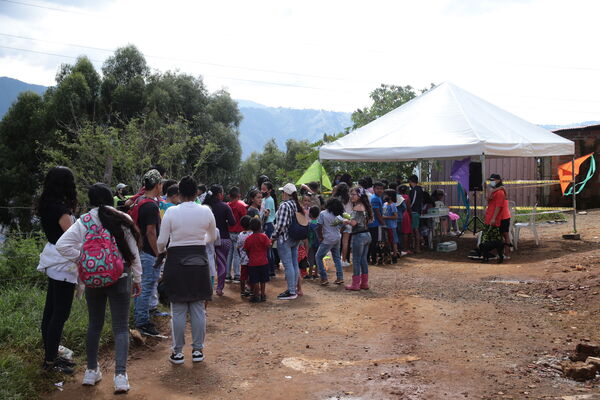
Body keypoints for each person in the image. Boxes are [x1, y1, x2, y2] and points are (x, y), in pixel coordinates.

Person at [55, 183, 142, 393]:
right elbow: (133, 252)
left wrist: (83, 259)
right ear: (110, 198)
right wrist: (138, 277)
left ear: (91, 201)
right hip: (120, 278)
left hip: (93, 279)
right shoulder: (122, 218)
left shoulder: (84, 220)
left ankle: (91, 371)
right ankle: (120, 376)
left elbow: (61, 245)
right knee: (120, 327)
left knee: (94, 325)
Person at [157, 176, 216, 365]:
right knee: (198, 307)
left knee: (179, 308)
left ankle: (178, 352)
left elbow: (161, 242)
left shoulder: (172, 212)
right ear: (196, 192)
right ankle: (198, 351)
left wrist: (162, 251)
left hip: (176, 260)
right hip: (199, 259)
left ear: (180, 193)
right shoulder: (205, 211)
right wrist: (200, 241)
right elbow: (212, 235)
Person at [36, 166, 78, 374]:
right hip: (64, 264)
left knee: (50, 312)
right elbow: (73, 237)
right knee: (60, 314)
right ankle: (51, 361)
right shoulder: (61, 210)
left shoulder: (46, 205)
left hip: (53, 261)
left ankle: (50, 356)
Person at [132, 169, 163, 337]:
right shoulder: (150, 205)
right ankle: (142, 322)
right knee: (146, 287)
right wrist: (158, 252)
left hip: (141, 249)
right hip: (149, 252)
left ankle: (142, 317)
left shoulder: (140, 201)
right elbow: (151, 231)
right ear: (157, 185)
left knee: (142, 286)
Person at [271, 183, 304, 300]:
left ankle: (291, 291)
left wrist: (273, 237)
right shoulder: (296, 204)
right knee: (294, 264)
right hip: (295, 238)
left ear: (286, 193)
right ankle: (293, 289)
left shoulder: (285, 205)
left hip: (285, 238)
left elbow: (281, 226)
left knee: (288, 265)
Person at [203, 184, 235, 296]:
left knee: (207, 262)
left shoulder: (204, 206)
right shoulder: (225, 206)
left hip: (206, 238)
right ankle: (219, 288)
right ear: (219, 195)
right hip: (223, 238)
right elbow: (232, 222)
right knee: (222, 264)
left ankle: (206, 286)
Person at [345, 187, 373, 291]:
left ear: (359, 195)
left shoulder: (357, 207)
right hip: (367, 235)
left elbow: (354, 223)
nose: (351, 196)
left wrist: (345, 220)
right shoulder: (365, 206)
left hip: (359, 236)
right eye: (351, 194)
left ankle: (355, 284)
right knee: (363, 260)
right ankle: (364, 283)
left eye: (353, 194)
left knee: (356, 260)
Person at [315, 198, 345, 285]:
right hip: (337, 238)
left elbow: (319, 226)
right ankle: (340, 277)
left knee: (318, 257)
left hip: (327, 239)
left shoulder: (323, 213)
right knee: (337, 258)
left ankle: (324, 278)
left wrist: (320, 237)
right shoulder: (339, 215)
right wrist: (339, 231)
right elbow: (344, 226)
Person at [243, 218, 272, 303]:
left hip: (253, 263)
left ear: (250, 227)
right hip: (263, 261)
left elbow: (246, 249)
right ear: (260, 226)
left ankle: (256, 295)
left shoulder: (249, 238)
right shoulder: (264, 236)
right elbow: (269, 245)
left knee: (255, 280)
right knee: (263, 280)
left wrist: (250, 256)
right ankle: (263, 295)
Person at [487, 174, 511, 257]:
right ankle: (498, 252)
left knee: (505, 234)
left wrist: (493, 218)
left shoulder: (501, 191)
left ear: (498, 180)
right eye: (490, 180)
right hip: (499, 216)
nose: (491, 182)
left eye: (493, 180)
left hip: (503, 216)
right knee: (499, 235)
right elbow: (489, 200)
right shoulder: (495, 190)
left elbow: (499, 206)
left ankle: (506, 253)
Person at [227, 186, 247, 284]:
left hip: (229, 232)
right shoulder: (241, 206)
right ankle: (237, 275)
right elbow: (244, 219)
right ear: (238, 196)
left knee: (229, 254)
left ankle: (227, 275)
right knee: (236, 254)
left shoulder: (227, 205)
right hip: (238, 233)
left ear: (229, 196)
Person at [333, 182, 352, 267]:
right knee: (345, 243)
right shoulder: (350, 198)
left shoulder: (336, 199)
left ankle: (337, 261)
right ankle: (344, 260)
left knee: (337, 242)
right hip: (348, 221)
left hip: (338, 221)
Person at [367, 182, 385, 264]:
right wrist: (382, 222)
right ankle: (373, 259)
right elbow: (377, 213)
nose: (380, 190)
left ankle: (370, 258)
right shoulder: (375, 198)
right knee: (374, 242)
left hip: (374, 223)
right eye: (378, 188)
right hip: (374, 224)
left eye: (381, 189)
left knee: (373, 242)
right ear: (374, 189)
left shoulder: (378, 197)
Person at [237, 216, 253, 297]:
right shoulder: (252, 234)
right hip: (251, 259)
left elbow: (238, 247)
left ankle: (242, 291)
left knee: (243, 276)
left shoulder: (240, 235)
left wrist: (241, 255)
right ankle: (251, 289)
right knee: (251, 275)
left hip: (243, 259)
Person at [383, 189, 400, 262]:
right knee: (388, 241)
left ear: (390, 196)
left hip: (391, 226)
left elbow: (396, 216)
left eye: (386, 194)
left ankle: (395, 255)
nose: (384, 196)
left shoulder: (393, 205)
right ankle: (389, 254)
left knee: (393, 241)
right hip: (386, 226)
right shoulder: (385, 204)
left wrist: (385, 217)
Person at [408, 175, 424, 253]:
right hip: (417, 211)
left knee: (415, 230)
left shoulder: (415, 190)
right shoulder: (419, 189)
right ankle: (417, 247)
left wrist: (409, 208)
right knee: (416, 229)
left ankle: (417, 247)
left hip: (414, 211)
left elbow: (413, 201)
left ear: (411, 181)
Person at [306, 206, 320, 279]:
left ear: (310, 214)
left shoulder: (309, 224)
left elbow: (308, 235)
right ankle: (316, 273)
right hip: (318, 244)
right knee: (317, 258)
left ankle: (310, 274)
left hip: (311, 244)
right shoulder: (319, 223)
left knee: (310, 259)